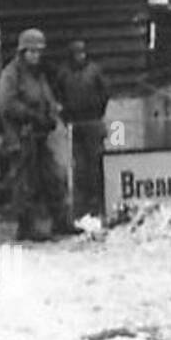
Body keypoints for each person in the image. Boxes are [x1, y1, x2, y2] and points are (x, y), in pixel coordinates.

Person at [0, 28, 76, 241]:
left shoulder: (38, 75)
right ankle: (26, 226)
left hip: (40, 136)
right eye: (31, 51)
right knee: (25, 182)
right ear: (22, 52)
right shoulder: (11, 74)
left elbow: (46, 97)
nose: (35, 56)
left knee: (53, 177)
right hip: (21, 136)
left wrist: (52, 114)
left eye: (38, 52)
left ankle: (61, 221)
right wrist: (31, 116)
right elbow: (6, 104)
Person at [56, 39, 109, 217]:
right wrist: (65, 117)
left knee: (97, 161)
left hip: (93, 121)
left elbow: (105, 92)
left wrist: (98, 112)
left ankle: (99, 199)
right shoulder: (63, 73)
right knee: (79, 165)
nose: (81, 57)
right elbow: (58, 95)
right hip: (74, 124)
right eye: (77, 53)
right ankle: (82, 203)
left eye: (83, 53)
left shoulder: (94, 70)